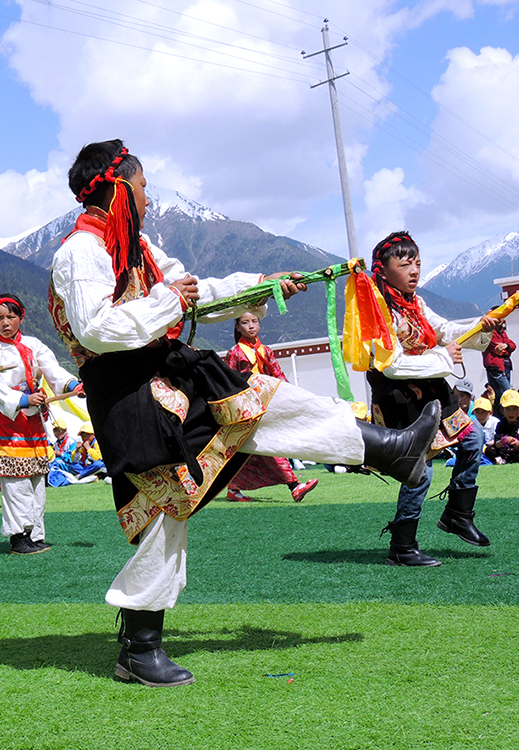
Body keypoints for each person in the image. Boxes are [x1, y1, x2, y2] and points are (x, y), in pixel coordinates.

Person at [49, 140, 440, 687]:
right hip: (128, 396)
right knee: (163, 512)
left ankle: (388, 449)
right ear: (118, 188)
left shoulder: (139, 247)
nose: (148, 198)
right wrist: (169, 301)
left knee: (263, 398)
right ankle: (139, 648)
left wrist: (260, 286)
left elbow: (198, 294)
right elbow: (96, 328)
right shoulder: (80, 252)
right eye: (142, 187)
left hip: (170, 373)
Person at [366, 231, 498, 567]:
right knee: (419, 471)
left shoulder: (416, 303)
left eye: (418, 264)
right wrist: (443, 357)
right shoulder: (375, 311)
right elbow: (391, 364)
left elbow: (444, 330)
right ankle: (402, 545)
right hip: (400, 396)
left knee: (474, 438)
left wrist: (480, 326)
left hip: (433, 389)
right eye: (404, 264)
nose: (414, 271)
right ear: (383, 270)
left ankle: (457, 514)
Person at [0, 293, 81, 555]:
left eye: (11, 316)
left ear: (21, 318)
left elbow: (52, 370)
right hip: (8, 422)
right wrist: (23, 399)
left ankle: (34, 533)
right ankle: (18, 536)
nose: (5, 323)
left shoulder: (33, 344)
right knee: (16, 482)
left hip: (33, 422)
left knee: (36, 479)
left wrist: (73, 385)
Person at [224, 310, 317, 502]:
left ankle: (234, 489)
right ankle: (294, 486)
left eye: (254, 321)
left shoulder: (266, 351)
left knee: (253, 451)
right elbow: (229, 381)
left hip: (266, 406)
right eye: (245, 322)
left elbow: (278, 375)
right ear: (237, 327)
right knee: (267, 446)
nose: (251, 326)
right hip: (247, 409)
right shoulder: (235, 353)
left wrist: (293, 395)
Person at [487, 390, 519, 464]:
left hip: (518, 449)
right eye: (508, 409)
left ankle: (507, 460)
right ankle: (518, 458)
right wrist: (503, 441)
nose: (511, 413)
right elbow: (496, 443)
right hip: (505, 450)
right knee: (488, 449)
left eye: (514, 409)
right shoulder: (501, 424)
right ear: (502, 410)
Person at [482, 315, 515, 417]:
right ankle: (508, 417)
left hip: (505, 366)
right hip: (495, 367)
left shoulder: (502, 333)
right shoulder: (488, 333)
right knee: (507, 392)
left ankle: (498, 418)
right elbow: (497, 349)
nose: (500, 320)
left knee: (499, 396)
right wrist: (508, 349)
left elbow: (513, 345)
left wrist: (506, 346)